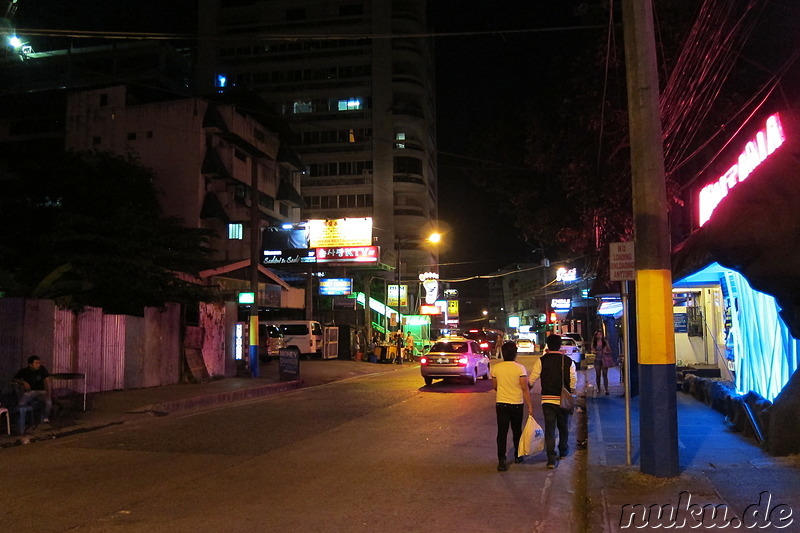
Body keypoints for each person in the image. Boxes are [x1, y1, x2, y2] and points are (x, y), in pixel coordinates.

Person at [529, 334, 577, 469]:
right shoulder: (568, 361)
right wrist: (571, 391)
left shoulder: (541, 360)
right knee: (563, 426)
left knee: (550, 429)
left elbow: (533, 378)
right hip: (563, 400)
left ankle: (551, 458)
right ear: (560, 345)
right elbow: (573, 380)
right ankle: (563, 451)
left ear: (548, 346)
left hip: (547, 400)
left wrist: (529, 387)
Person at [491, 341, 534, 472]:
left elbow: (495, 386)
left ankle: (501, 460)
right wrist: (530, 406)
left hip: (501, 403)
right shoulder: (520, 368)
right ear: (515, 354)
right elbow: (525, 389)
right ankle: (517, 455)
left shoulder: (497, 368)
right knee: (517, 431)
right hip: (517, 404)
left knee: (502, 432)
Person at [13, 355, 53, 434]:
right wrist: (23, 382)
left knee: (48, 402)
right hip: (30, 392)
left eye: (39, 363)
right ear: (30, 364)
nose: (38, 365)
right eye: (36, 363)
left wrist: (49, 392)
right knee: (21, 404)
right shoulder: (25, 371)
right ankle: (22, 422)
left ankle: (45, 417)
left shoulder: (42, 369)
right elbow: (15, 378)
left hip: (41, 391)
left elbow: (47, 380)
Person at [592, 330, 613, 395]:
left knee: (605, 374)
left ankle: (606, 389)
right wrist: (594, 352)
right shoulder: (594, 342)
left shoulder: (605, 342)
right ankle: (599, 388)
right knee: (598, 375)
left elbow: (609, 350)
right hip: (597, 359)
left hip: (604, 359)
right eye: (597, 334)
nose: (599, 336)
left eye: (600, 334)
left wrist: (605, 352)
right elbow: (592, 349)